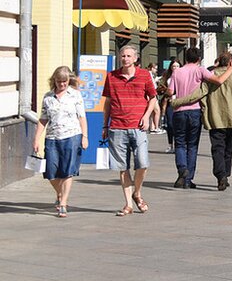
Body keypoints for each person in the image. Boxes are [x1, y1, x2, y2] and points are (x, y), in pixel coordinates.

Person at [170, 52, 232, 191]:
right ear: (230, 62)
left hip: (215, 117)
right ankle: (225, 175)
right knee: (228, 148)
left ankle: (220, 176)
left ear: (219, 61)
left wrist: (177, 102)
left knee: (217, 148)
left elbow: (198, 93)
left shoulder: (210, 75)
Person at [99, 45, 159, 216]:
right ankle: (128, 204)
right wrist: (105, 125)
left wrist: (146, 116)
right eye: (122, 55)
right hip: (117, 126)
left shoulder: (144, 75)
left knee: (142, 163)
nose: (125, 58)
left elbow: (153, 97)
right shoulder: (111, 77)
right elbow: (108, 102)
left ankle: (137, 192)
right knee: (122, 167)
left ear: (135, 58)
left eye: (128, 56)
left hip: (138, 126)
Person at [34, 66, 87, 218]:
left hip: (72, 136)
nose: (62, 84)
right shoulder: (48, 97)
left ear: (69, 80)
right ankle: (60, 193)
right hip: (52, 137)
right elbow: (43, 119)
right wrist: (37, 138)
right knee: (50, 172)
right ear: (54, 81)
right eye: (59, 81)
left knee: (67, 170)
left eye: (65, 81)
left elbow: (82, 117)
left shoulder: (75, 95)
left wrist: (85, 136)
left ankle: (63, 202)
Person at [158, 59, 180, 152]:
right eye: (174, 66)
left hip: (180, 103)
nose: (175, 68)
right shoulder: (167, 77)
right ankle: (170, 144)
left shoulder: (183, 76)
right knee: (170, 124)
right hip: (169, 103)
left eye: (177, 66)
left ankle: (178, 145)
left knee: (179, 125)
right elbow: (159, 89)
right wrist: (165, 90)